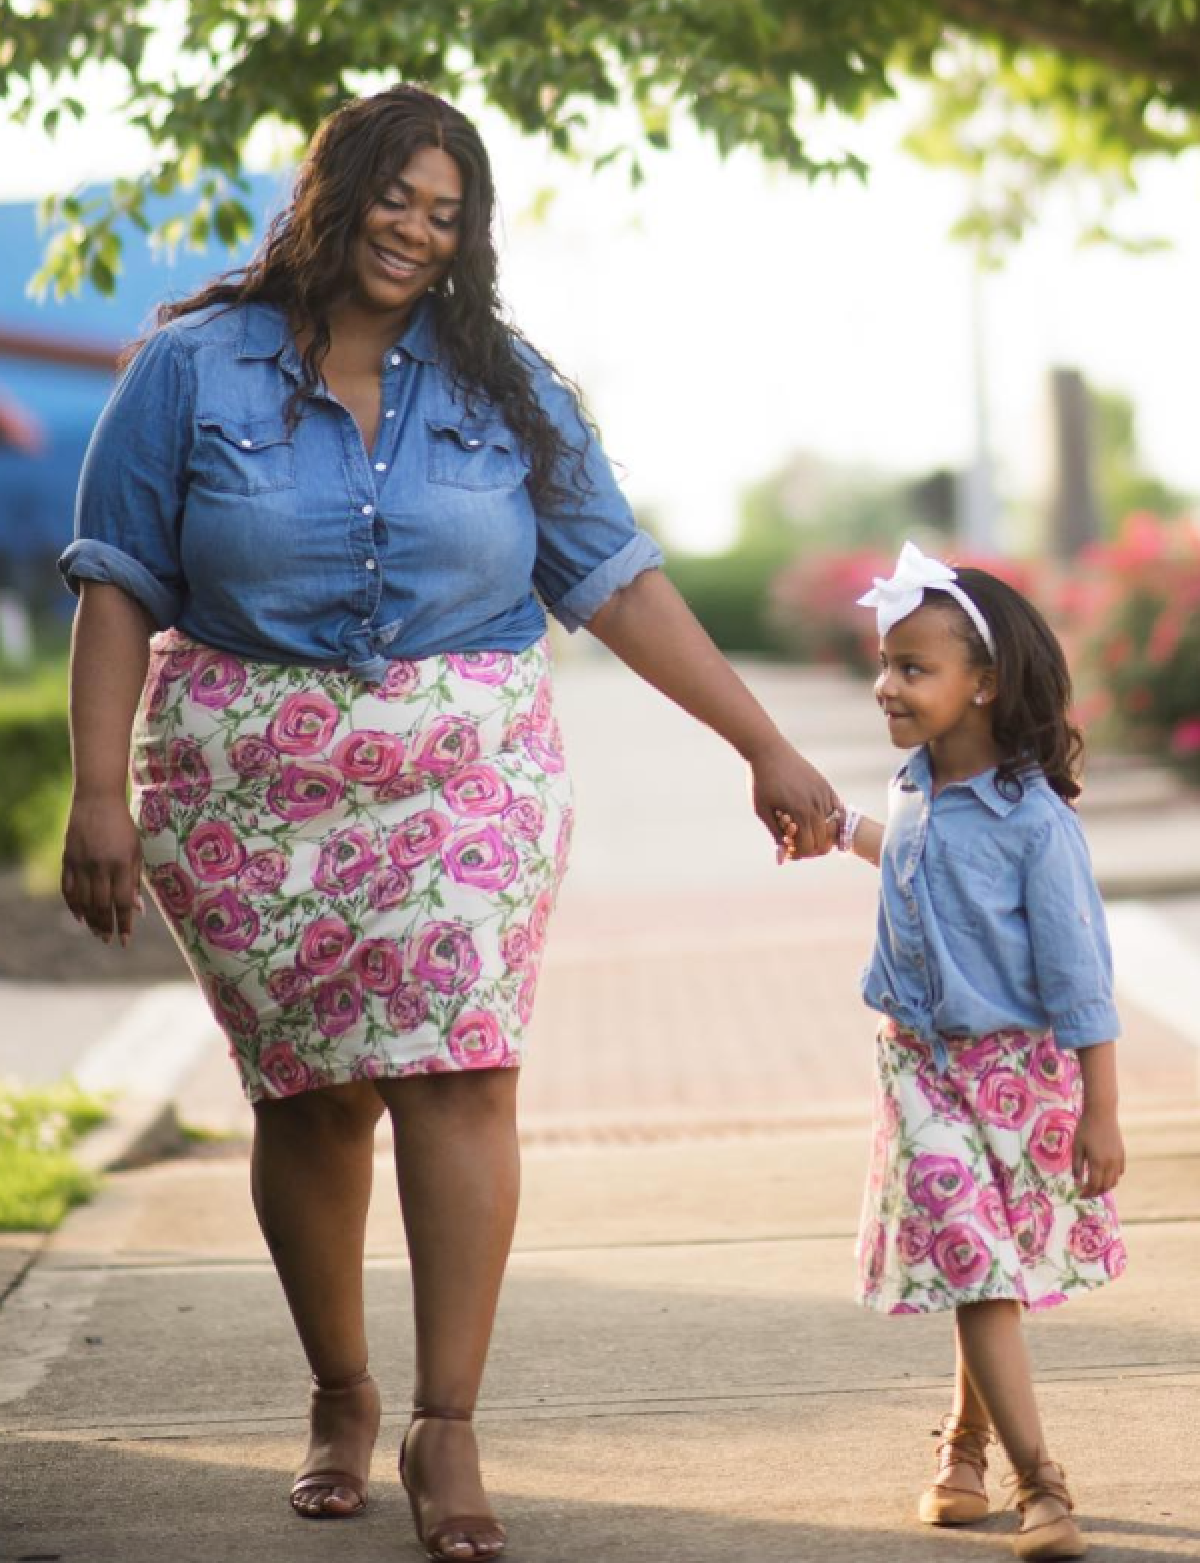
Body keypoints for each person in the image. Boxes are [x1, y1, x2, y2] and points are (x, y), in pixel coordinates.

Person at [57, 84, 839, 1561]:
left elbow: (615, 578)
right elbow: (116, 585)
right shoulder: (184, 371)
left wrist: (766, 745)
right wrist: (97, 793)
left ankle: (446, 1421)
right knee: (310, 1097)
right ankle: (340, 1391)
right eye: (395, 196)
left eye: (447, 211)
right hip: (248, 780)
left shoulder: (509, 386)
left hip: (462, 770)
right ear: (327, 192)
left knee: (463, 1071)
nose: (415, 230)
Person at [779, 542, 1126, 1561]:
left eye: (914, 667)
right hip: (921, 1068)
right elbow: (923, 866)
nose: (888, 684)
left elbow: (1083, 976)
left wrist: (1103, 1108)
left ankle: (970, 1447)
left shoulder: (1035, 823)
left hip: (1021, 1076)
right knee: (975, 1263)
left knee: (993, 1271)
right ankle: (1040, 1483)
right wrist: (844, 829)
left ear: (986, 683)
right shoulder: (917, 785)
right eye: (886, 662)